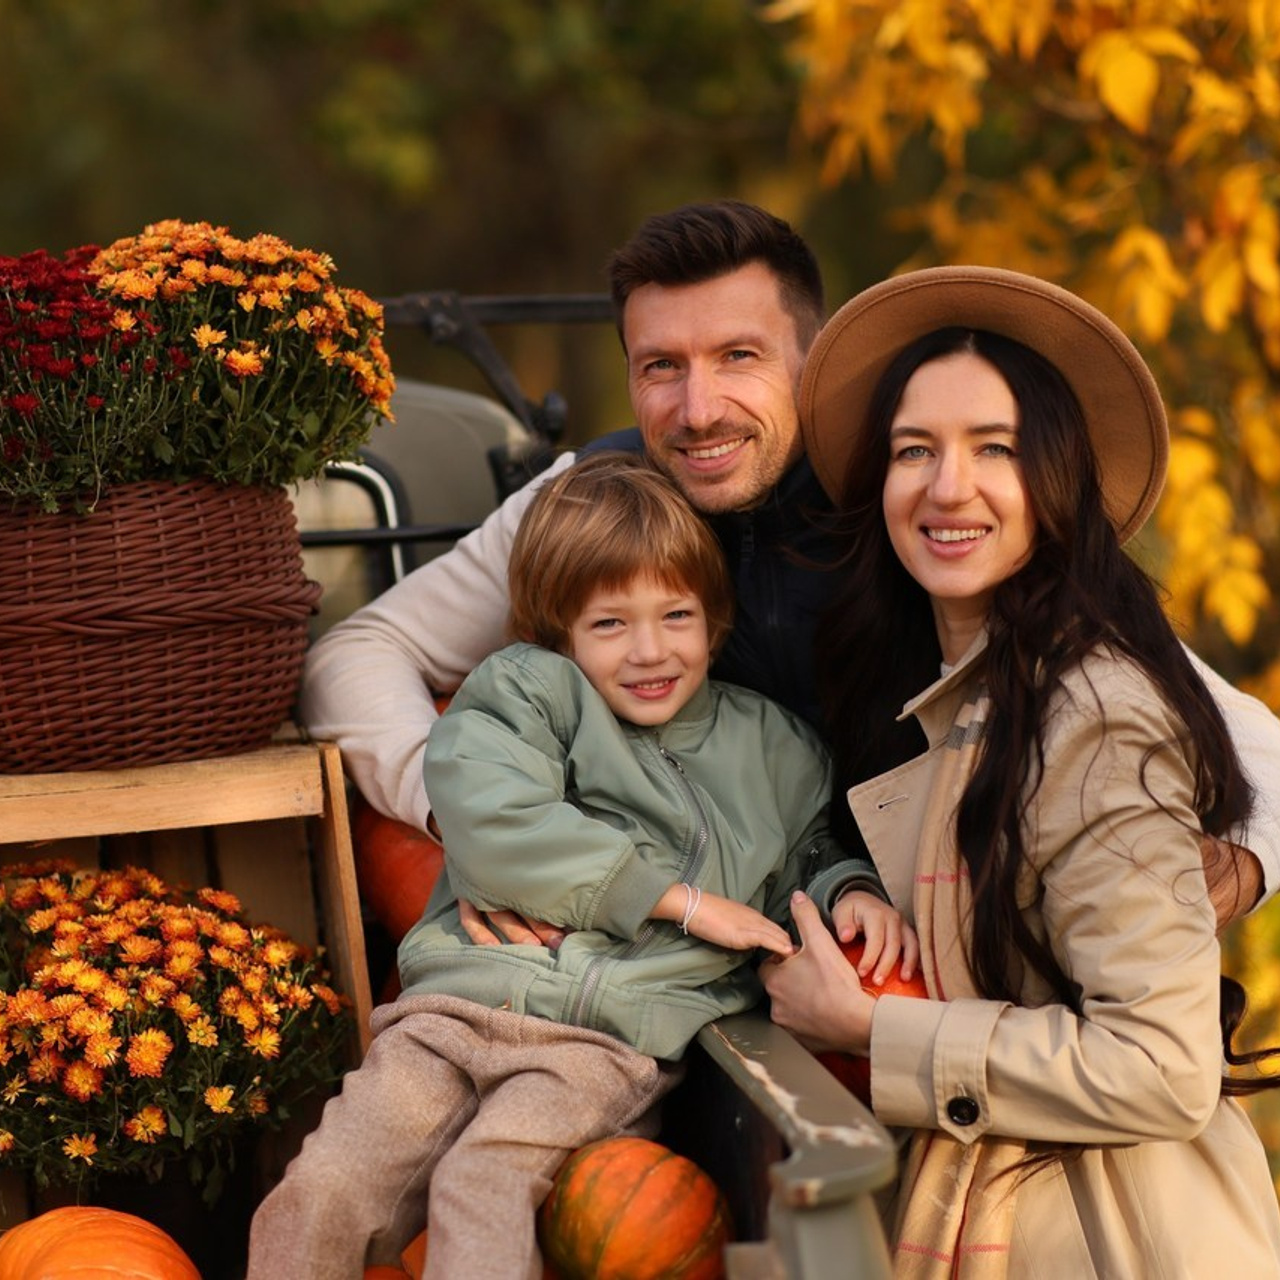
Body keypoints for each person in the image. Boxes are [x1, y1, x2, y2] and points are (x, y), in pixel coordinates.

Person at [299, 198, 1280, 939]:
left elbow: (1241, 739)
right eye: (660, 366)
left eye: (738, 356)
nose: (697, 409)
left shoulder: (919, 512)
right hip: (658, 934)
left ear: (813, 362)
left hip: (898, 942)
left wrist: (1242, 865)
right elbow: (358, 650)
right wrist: (467, 811)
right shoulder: (590, 500)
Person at [248, 453, 912, 1279]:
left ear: (715, 620)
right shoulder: (526, 697)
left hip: (607, 1042)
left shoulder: (776, 749)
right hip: (456, 1007)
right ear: (558, 633)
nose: (649, 651)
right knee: (321, 1190)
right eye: (609, 625)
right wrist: (678, 901)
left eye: (676, 615)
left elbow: (807, 852)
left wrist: (849, 889)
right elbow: (493, 816)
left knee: (482, 1187)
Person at [762, 266, 1280, 1275]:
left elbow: (1161, 1065)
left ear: (1053, 478)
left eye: (992, 447)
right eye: (914, 449)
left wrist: (871, 1025)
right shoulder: (961, 695)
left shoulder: (1089, 715)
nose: (946, 485)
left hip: (1118, 1240)